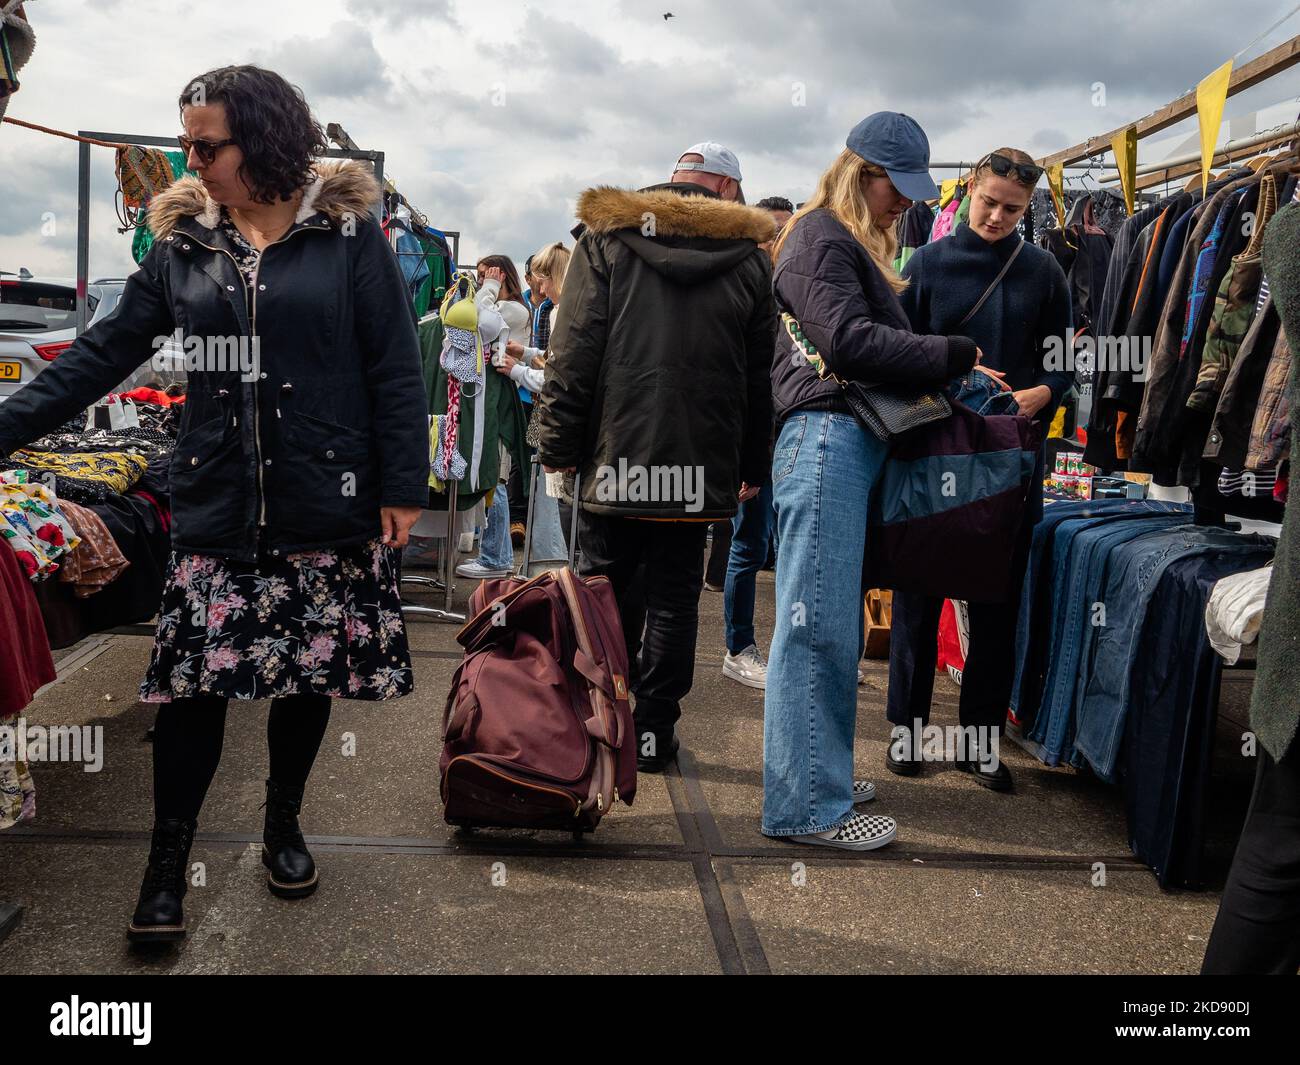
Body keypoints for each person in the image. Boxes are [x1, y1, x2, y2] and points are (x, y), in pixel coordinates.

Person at [0, 64, 429, 942]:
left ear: (264, 139)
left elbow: (393, 366)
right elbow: (102, 354)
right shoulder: (186, 240)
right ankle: (167, 866)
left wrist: (401, 484)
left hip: (326, 498)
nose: (191, 160)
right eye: (185, 142)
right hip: (216, 501)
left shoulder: (350, 234)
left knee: (306, 674)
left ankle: (281, 822)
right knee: (192, 689)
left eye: (208, 145)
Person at [763, 113, 981, 850]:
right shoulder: (821, 235)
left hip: (834, 441)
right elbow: (849, 342)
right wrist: (951, 352)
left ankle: (814, 774)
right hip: (828, 439)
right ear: (863, 172)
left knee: (825, 627)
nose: (907, 205)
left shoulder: (826, 236)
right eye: (898, 188)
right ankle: (806, 806)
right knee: (816, 630)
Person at [534, 142, 776, 773]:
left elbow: (574, 349)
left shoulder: (606, 237)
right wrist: (755, 463)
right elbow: (759, 376)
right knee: (674, 596)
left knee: (602, 593)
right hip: (697, 462)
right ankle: (654, 732)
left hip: (618, 454)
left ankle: (599, 720)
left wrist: (556, 443)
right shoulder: (749, 259)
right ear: (726, 189)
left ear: (672, 180)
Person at [885, 148, 1071, 792]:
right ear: (969, 191)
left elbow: (1062, 362)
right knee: (917, 592)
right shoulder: (927, 263)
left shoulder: (1045, 270)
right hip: (933, 449)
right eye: (988, 201)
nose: (995, 216)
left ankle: (978, 744)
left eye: (1011, 209)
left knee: (997, 599)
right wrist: (953, 371)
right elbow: (896, 358)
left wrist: (1041, 396)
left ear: (1028, 209)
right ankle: (907, 734)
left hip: (1010, 457)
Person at [718, 195, 794, 689]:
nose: (777, 241)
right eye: (770, 232)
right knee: (748, 544)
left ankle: (790, 651)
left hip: (794, 434)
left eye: (784, 232)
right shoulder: (739, 289)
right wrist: (749, 455)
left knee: (783, 546)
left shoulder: (796, 286)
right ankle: (737, 647)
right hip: (754, 440)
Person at [455, 255, 531, 580]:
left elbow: (478, 321)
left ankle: (495, 557)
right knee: (492, 474)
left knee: (495, 476)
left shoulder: (513, 309)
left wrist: (488, 288)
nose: (482, 281)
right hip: (495, 394)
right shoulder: (510, 306)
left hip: (503, 397)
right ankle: (494, 555)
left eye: (488, 275)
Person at [497, 241, 570, 566]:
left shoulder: (562, 313)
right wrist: (525, 355)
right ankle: (548, 561)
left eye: (542, 278)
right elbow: (555, 364)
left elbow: (561, 379)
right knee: (545, 486)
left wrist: (518, 371)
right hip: (549, 416)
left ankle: (552, 564)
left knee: (552, 492)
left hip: (555, 418)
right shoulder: (558, 310)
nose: (537, 285)